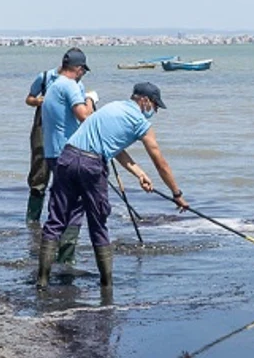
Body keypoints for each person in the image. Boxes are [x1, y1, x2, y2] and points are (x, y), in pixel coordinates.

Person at [39, 81, 187, 287]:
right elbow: (160, 162)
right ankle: (107, 285)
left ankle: (42, 280)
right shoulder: (140, 122)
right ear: (144, 101)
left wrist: (139, 173)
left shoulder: (112, 107)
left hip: (67, 157)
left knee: (56, 219)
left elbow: (113, 147)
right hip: (91, 165)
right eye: (154, 106)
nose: (155, 111)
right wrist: (177, 194)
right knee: (98, 224)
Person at [29, 48, 94, 264]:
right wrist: (90, 100)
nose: (83, 73)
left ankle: (46, 268)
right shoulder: (70, 85)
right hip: (70, 153)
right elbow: (85, 116)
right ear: (77, 68)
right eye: (83, 69)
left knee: (58, 206)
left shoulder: (54, 85)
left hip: (53, 152)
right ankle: (66, 261)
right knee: (75, 207)